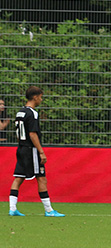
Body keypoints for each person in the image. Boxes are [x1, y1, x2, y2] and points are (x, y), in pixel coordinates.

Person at [9, 86, 64, 217]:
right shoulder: (32, 113)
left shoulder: (20, 112)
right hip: (31, 149)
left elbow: (19, 132)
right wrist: (41, 152)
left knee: (18, 178)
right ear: (35, 97)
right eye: (40, 96)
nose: (41, 99)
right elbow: (33, 134)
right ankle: (49, 210)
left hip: (21, 148)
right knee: (41, 178)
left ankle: (12, 208)